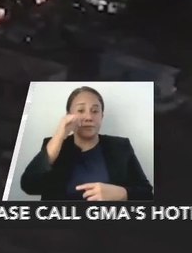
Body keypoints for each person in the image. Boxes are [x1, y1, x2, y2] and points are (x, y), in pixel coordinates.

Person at [19, 86, 153, 201]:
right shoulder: (53, 145)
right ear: (68, 115)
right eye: (81, 110)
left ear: (102, 116)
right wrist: (60, 134)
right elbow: (29, 186)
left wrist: (123, 193)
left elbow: (146, 193)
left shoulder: (120, 146)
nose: (89, 117)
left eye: (95, 111)